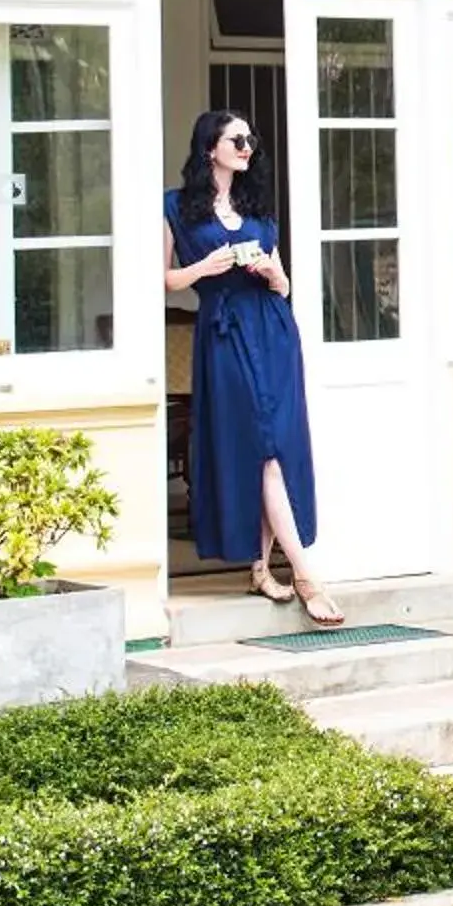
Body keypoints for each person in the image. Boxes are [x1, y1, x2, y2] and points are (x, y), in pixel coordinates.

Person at [164, 109, 338, 626]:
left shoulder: (259, 213)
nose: (247, 146)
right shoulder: (175, 208)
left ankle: (262, 568)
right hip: (224, 330)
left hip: (274, 329)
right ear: (209, 148)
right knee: (260, 447)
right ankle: (306, 575)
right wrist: (205, 268)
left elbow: (285, 285)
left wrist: (269, 272)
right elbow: (162, 280)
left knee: (278, 446)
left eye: (250, 138)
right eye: (236, 138)